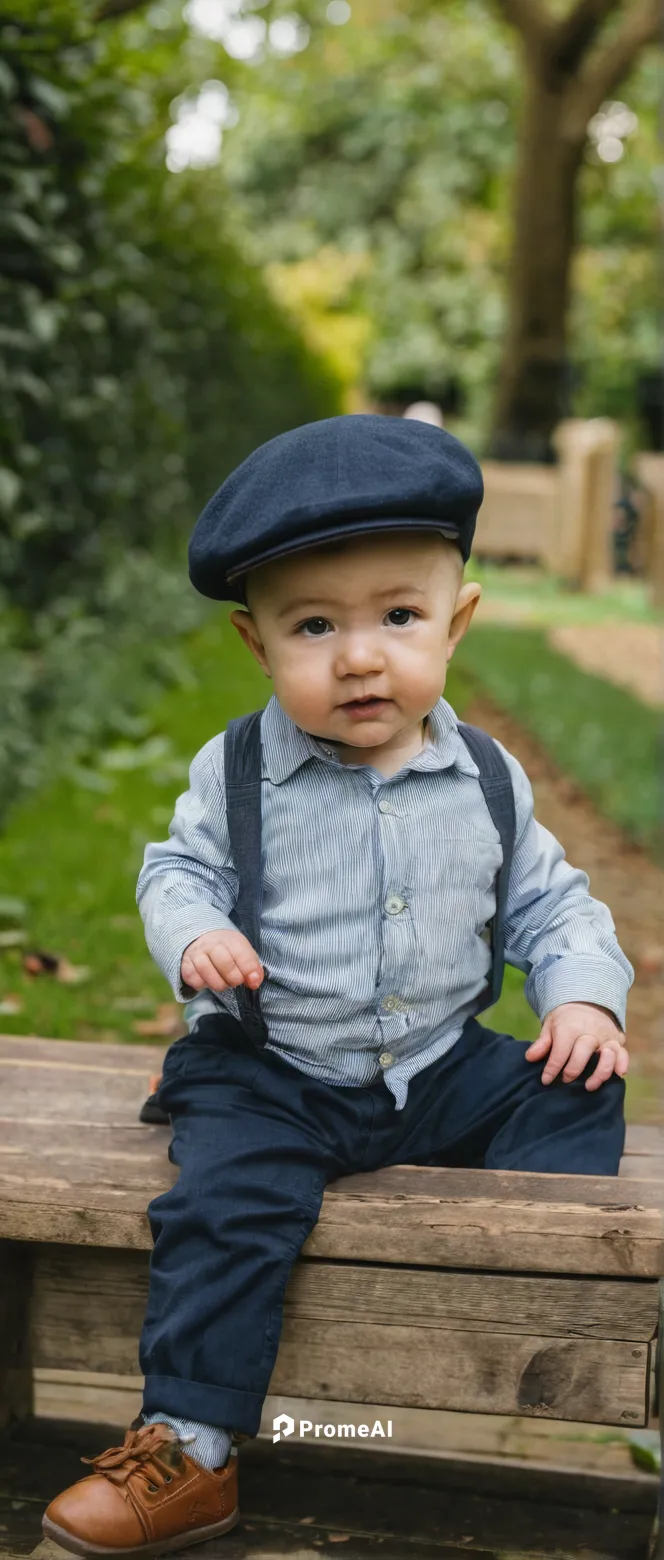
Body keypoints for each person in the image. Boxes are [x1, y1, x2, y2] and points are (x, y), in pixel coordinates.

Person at [43, 414, 632, 1557]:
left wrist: (579, 998)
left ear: (455, 624)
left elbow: (556, 908)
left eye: (397, 617)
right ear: (257, 645)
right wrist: (197, 932)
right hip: (276, 1068)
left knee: (572, 1084)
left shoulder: (488, 779)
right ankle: (192, 1447)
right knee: (224, 1198)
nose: (360, 657)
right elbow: (176, 873)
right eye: (314, 625)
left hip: (428, 1070)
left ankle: (528, 1332)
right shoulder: (237, 771)